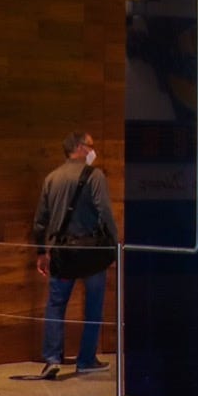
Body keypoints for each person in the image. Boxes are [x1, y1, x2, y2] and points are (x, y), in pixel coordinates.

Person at [31, 131, 118, 380]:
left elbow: (40, 221)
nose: (93, 149)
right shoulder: (95, 176)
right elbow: (105, 212)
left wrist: (41, 251)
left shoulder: (52, 178)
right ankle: (86, 359)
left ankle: (52, 359)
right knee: (93, 306)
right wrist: (114, 243)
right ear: (80, 148)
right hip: (91, 254)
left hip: (61, 254)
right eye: (91, 145)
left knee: (56, 305)